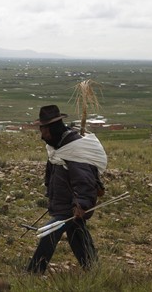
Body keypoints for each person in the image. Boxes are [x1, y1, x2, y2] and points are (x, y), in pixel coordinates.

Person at [26, 105, 107, 274]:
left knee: (48, 234)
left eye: (43, 130)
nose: (41, 135)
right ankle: (93, 269)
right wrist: (50, 192)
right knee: (78, 235)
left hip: (71, 205)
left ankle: (33, 273)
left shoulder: (73, 149)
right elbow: (52, 171)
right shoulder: (58, 145)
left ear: (52, 128)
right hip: (63, 202)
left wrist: (81, 204)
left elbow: (84, 181)